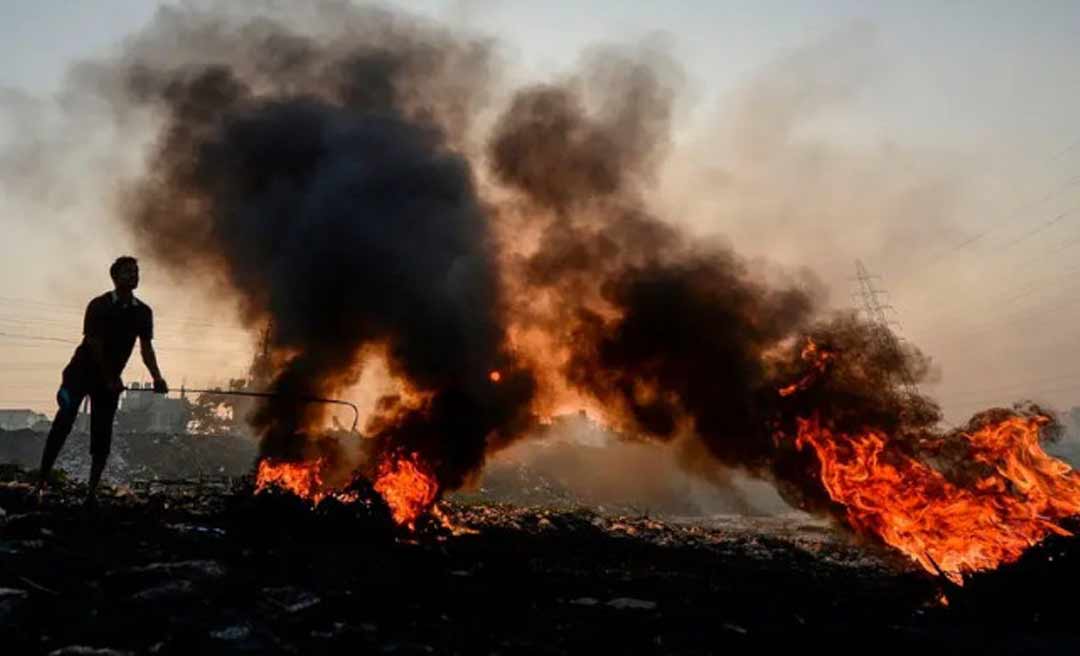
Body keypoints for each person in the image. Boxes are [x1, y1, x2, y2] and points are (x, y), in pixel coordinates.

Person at [36, 256, 168, 505]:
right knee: (63, 423)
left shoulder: (143, 312)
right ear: (115, 277)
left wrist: (157, 377)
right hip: (80, 374)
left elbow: (146, 348)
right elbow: (94, 344)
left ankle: (91, 493)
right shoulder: (98, 305)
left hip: (109, 382)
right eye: (128, 272)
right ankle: (40, 483)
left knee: (102, 435)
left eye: (136, 271)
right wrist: (110, 377)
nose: (134, 275)